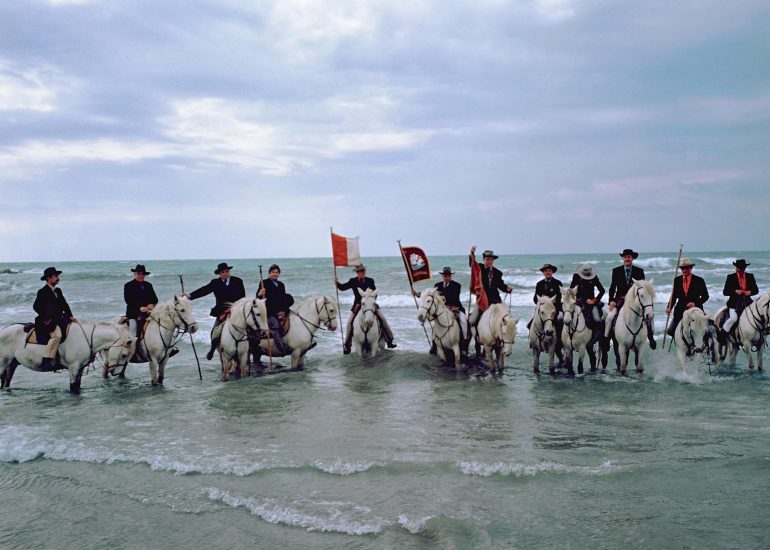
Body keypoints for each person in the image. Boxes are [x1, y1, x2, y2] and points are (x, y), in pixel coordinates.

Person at [188, 262, 246, 360]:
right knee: (214, 332)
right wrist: (190, 296)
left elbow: (242, 297)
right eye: (223, 272)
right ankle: (212, 350)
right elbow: (204, 290)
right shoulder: (215, 283)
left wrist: (232, 309)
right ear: (219, 273)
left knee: (250, 328)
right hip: (221, 312)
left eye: (227, 271)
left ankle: (252, 350)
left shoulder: (238, 281)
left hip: (236, 311)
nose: (225, 273)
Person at [336, 264, 396, 354]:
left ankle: (390, 340)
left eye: (363, 270)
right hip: (357, 306)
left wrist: (372, 302)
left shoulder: (370, 280)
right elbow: (342, 288)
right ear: (357, 272)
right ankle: (347, 345)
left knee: (382, 319)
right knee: (349, 323)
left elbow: (375, 294)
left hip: (370, 305)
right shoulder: (353, 281)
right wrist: (337, 282)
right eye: (360, 271)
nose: (362, 272)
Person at [605, 249, 656, 349]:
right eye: (625, 257)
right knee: (610, 317)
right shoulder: (616, 271)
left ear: (632, 258)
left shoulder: (639, 271)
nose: (627, 259)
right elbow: (612, 287)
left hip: (634, 301)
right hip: (620, 299)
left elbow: (642, 288)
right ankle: (606, 340)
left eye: (629, 257)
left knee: (648, 317)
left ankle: (651, 338)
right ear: (623, 258)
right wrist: (611, 300)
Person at [33, 267, 78, 369]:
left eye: (58, 276)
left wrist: (70, 316)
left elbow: (64, 304)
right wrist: (46, 317)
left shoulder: (58, 290)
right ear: (49, 278)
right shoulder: (42, 291)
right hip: (47, 321)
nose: (58, 278)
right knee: (57, 336)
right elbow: (36, 306)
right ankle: (46, 360)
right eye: (55, 276)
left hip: (59, 318)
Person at [413, 267, 468, 343]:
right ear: (442, 276)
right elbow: (429, 295)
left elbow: (454, 297)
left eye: (448, 276)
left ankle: (465, 340)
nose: (447, 277)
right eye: (445, 276)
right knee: (433, 324)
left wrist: (444, 298)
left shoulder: (457, 285)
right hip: (442, 310)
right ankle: (434, 343)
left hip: (455, 308)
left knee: (463, 321)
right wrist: (417, 294)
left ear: (451, 276)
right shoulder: (437, 285)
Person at [468, 246, 512, 327]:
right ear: (483, 260)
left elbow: (500, 285)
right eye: (487, 259)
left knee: (506, 319)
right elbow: (472, 263)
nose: (490, 261)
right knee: (472, 321)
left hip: (495, 300)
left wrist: (507, 288)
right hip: (482, 300)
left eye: (491, 259)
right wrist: (472, 253)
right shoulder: (479, 268)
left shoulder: (498, 273)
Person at [665, 258, 709, 337]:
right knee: (671, 331)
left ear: (691, 268)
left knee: (705, 333)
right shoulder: (677, 280)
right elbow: (674, 296)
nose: (684, 270)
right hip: (680, 310)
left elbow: (706, 296)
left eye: (686, 268)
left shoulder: (699, 280)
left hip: (695, 310)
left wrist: (695, 303)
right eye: (682, 268)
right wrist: (669, 307)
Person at [257, 264, 294, 355]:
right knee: (275, 327)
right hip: (269, 311)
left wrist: (283, 310)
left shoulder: (281, 285)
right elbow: (258, 299)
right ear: (269, 273)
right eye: (273, 272)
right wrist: (260, 294)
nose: (275, 274)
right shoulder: (264, 283)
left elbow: (283, 299)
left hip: (281, 310)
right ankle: (282, 348)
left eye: (277, 272)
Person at [719, 259, 759, 343]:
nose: (739, 270)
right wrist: (735, 291)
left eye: (741, 268)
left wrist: (750, 292)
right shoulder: (731, 277)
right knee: (733, 318)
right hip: (734, 304)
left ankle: (758, 337)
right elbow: (725, 292)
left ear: (745, 268)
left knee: (757, 317)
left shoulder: (750, 276)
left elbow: (756, 290)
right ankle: (722, 336)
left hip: (747, 302)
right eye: (738, 268)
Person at [124, 264, 158, 337]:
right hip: (133, 313)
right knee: (133, 332)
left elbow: (155, 299)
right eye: (139, 274)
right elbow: (128, 301)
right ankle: (133, 344)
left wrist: (152, 304)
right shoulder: (128, 285)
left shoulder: (149, 285)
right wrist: (140, 308)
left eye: (143, 274)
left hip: (148, 312)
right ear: (135, 274)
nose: (141, 276)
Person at [569, 264, 605, 330]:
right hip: (578, 302)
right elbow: (571, 290)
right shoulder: (576, 276)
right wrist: (584, 299)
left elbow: (602, 291)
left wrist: (595, 300)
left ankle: (601, 335)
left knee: (597, 319)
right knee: (567, 317)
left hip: (591, 304)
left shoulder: (594, 277)